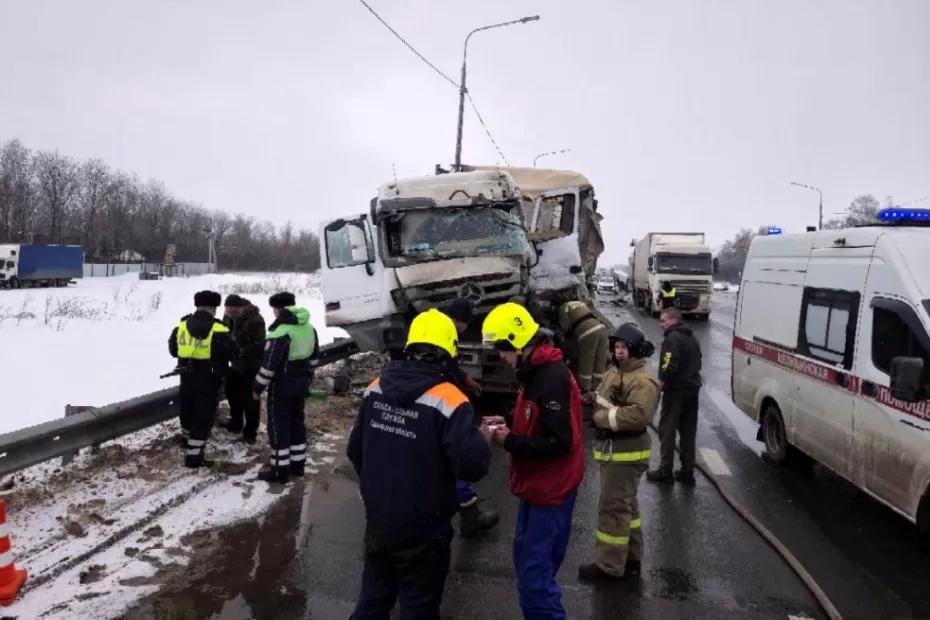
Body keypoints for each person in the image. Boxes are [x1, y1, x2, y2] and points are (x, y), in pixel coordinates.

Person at [348, 308, 492, 619]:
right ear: (448, 351)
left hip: (380, 518)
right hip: (424, 527)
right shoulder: (449, 399)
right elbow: (473, 467)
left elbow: (355, 451)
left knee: (374, 597)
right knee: (418, 604)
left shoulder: (375, 388)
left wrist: (378, 492)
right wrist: (482, 439)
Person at [482, 302, 584, 620]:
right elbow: (537, 417)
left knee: (534, 583)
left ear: (519, 341)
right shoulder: (536, 372)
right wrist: (510, 420)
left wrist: (509, 440)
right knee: (526, 567)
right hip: (537, 488)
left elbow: (560, 441)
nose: (501, 356)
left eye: (502, 348)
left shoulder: (550, 377)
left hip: (551, 492)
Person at [578, 323, 659, 582]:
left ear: (635, 350)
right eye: (616, 347)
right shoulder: (616, 370)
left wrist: (600, 418)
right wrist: (593, 399)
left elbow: (638, 415)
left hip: (626, 453)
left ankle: (609, 566)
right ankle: (632, 555)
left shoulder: (643, 381)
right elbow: (608, 398)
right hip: (615, 450)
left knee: (613, 507)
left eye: (624, 347)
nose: (619, 352)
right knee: (627, 505)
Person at [444, 298, 500, 538]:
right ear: (459, 320)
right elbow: (445, 366)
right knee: (451, 461)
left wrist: (465, 381)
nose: (467, 329)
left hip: (437, 403)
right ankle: (470, 517)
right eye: (466, 323)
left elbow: (449, 365)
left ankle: (468, 515)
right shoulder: (443, 334)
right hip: (440, 406)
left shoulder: (438, 331)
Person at [252, 292, 319, 483]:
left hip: (281, 387)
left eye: (274, 309)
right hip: (300, 384)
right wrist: (306, 379)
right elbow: (314, 359)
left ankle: (279, 471)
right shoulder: (309, 328)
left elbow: (269, 366)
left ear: (278, 309)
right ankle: (297, 466)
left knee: (278, 426)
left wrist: (257, 388)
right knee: (297, 422)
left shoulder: (280, 333)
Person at [168, 290, 238, 468]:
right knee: (203, 416)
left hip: (187, 376)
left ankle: (186, 439)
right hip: (209, 378)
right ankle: (194, 457)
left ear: (197, 306)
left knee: (187, 410)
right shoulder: (219, 329)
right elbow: (234, 353)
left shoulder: (182, 325)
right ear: (214, 308)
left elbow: (173, 349)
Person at [647, 307, 703, 485]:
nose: (661, 324)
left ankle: (666, 471)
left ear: (673, 320)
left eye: (663, 321)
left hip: (676, 391)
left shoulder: (672, 338)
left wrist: (662, 382)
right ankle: (687, 471)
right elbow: (698, 360)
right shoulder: (691, 337)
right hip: (692, 389)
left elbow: (668, 364)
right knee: (688, 431)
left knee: (667, 430)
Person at [222, 294, 266, 444]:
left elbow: (260, 345)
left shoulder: (255, 320)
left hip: (251, 366)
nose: (230, 315)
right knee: (232, 394)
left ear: (242, 308)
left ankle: (250, 432)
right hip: (235, 365)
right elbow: (224, 335)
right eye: (228, 312)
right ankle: (236, 423)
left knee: (251, 400)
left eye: (234, 312)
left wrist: (241, 350)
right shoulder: (227, 317)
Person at [556, 299, 609, 399]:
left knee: (587, 361)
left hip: (586, 332)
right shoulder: (580, 303)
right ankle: (598, 388)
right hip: (601, 328)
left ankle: (584, 390)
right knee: (600, 360)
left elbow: (565, 326)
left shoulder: (564, 307)